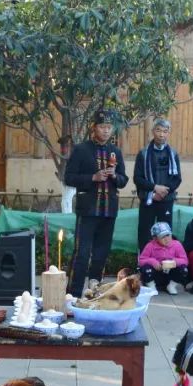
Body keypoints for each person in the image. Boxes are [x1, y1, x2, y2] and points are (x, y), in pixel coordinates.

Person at [64, 110, 128, 294]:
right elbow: (68, 178)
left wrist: (115, 175)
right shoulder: (82, 149)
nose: (106, 131)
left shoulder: (115, 151)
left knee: (101, 255)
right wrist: (93, 177)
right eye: (102, 127)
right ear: (94, 128)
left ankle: (94, 292)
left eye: (109, 127)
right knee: (82, 254)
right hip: (88, 210)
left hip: (109, 210)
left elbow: (124, 180)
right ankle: (73, 294)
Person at [133, 119, 183, 252]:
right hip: (148, 199)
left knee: (166, 232)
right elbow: (137, 178)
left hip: (166, 200)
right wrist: (154, 189)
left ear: (168, 133)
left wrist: (164, 191)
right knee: (145, 232)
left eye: (165, 131)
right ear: (153, 131)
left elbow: (177, 178)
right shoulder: (143, 154)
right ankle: (143, 265)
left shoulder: (173, 153)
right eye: (158, 130)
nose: (161, 134)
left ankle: (166, 262)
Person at [138, 222, 189, 295]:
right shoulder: (150, 245)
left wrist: (174, 262)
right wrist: (153, 261)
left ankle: (171, 286)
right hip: (155, 274)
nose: (167, 239)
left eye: (168, 235)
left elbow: (185, 260)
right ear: (156, 238)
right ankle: (151, 286)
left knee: (184, 269)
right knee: (146, 269)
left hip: (170, 274)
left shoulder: (177, 244)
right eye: (162, 237)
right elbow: (141, 261)